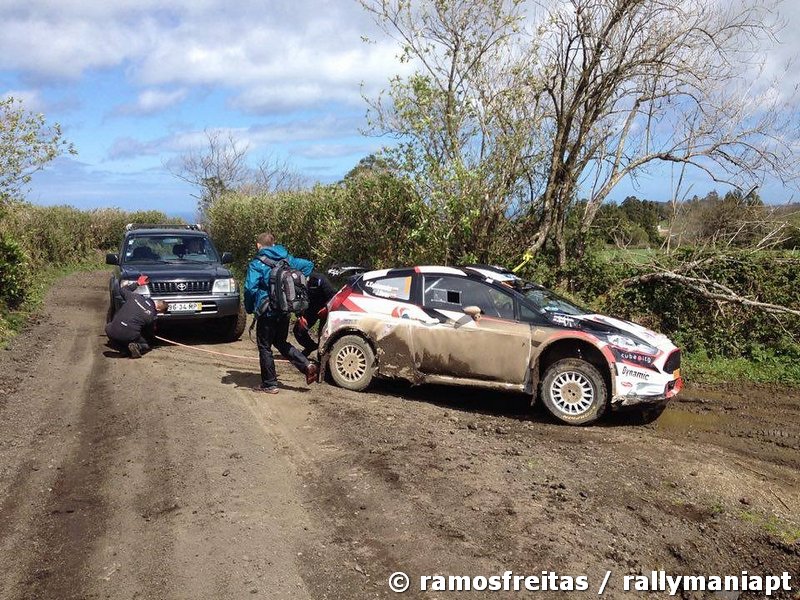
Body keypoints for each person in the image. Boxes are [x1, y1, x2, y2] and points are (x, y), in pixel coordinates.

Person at [244, 232, 318, 393]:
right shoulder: (288, 259)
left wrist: (250, 308)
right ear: (273, 244)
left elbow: (250, 288)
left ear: (258, 246)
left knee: (264, 347)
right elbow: (308, 266)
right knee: (281, 342)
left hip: (267, 311)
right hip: (285, 310)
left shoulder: (257, 264)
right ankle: (306, 365)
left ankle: (270, 384)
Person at [105, 274, 168, 358]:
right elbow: (149, 333)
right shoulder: (152, 316)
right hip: (129, 335)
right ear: (159, 310)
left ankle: (123, 349)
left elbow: (123, 289)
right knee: (146, 343)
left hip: (111, 331)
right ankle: (137, 346)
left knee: (110, 328)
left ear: (155, 302)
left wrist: (137, 283)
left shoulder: (135, 297)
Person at [293, 271, 336, 357]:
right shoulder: (295, 283)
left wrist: (326, 308)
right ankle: (310, 346)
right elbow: (295, 301)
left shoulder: (320, 279)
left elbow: (333, 297)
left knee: (323, 335)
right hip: (310, 308)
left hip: (325, 308)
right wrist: (300, 316)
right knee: (298, 330)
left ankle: (322, 356)